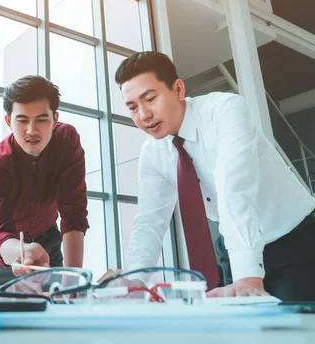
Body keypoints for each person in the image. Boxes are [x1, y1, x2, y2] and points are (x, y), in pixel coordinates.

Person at [115, 51, 315, 301]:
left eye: (150, 99)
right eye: (133, 107)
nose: (143, 115)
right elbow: (149, 221)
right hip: (234, 250)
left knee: (295, 332)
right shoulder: (153, 153)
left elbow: (235, 190)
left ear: (178, 89)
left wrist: (248, 278)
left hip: (293, 239)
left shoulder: (225, 110)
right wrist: (135, 281)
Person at [0, 75, 89, 286]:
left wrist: (72, 282)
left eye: (41, 120)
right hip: (1, 250)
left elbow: (74, 213)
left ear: (55, 119)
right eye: (22, 120)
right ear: (9, 121)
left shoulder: (67, 141)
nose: (32, 131)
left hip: (48, 240)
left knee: (58, 307)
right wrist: (22, 253)